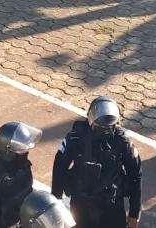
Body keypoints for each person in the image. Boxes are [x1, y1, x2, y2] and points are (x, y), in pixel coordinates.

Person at [52, 97, 142, 228]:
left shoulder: (123, 142)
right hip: (81, 206)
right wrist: (57, 205)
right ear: (91, 120)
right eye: (101, 124)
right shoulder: (75, 137)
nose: (106, 129)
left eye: (110, 125)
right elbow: (59, 168)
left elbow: (136, 175)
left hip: (111, 207)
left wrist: (135, 213)